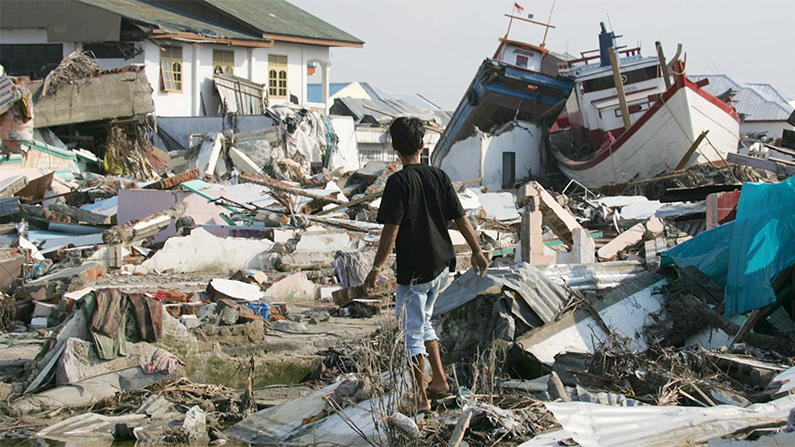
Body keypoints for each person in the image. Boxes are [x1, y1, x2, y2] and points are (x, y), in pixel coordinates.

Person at [364, 116, 489, 413]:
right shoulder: (439, 176)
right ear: (422, 144)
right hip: (441, 266)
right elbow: (461, 217)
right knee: (425, 323)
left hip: (416, 270)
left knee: (410, 335)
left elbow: (390, 230)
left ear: (395, 148)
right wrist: (477, 251)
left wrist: (376, 269)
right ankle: (440, 381)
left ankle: (420, 398)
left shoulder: (398, 182)